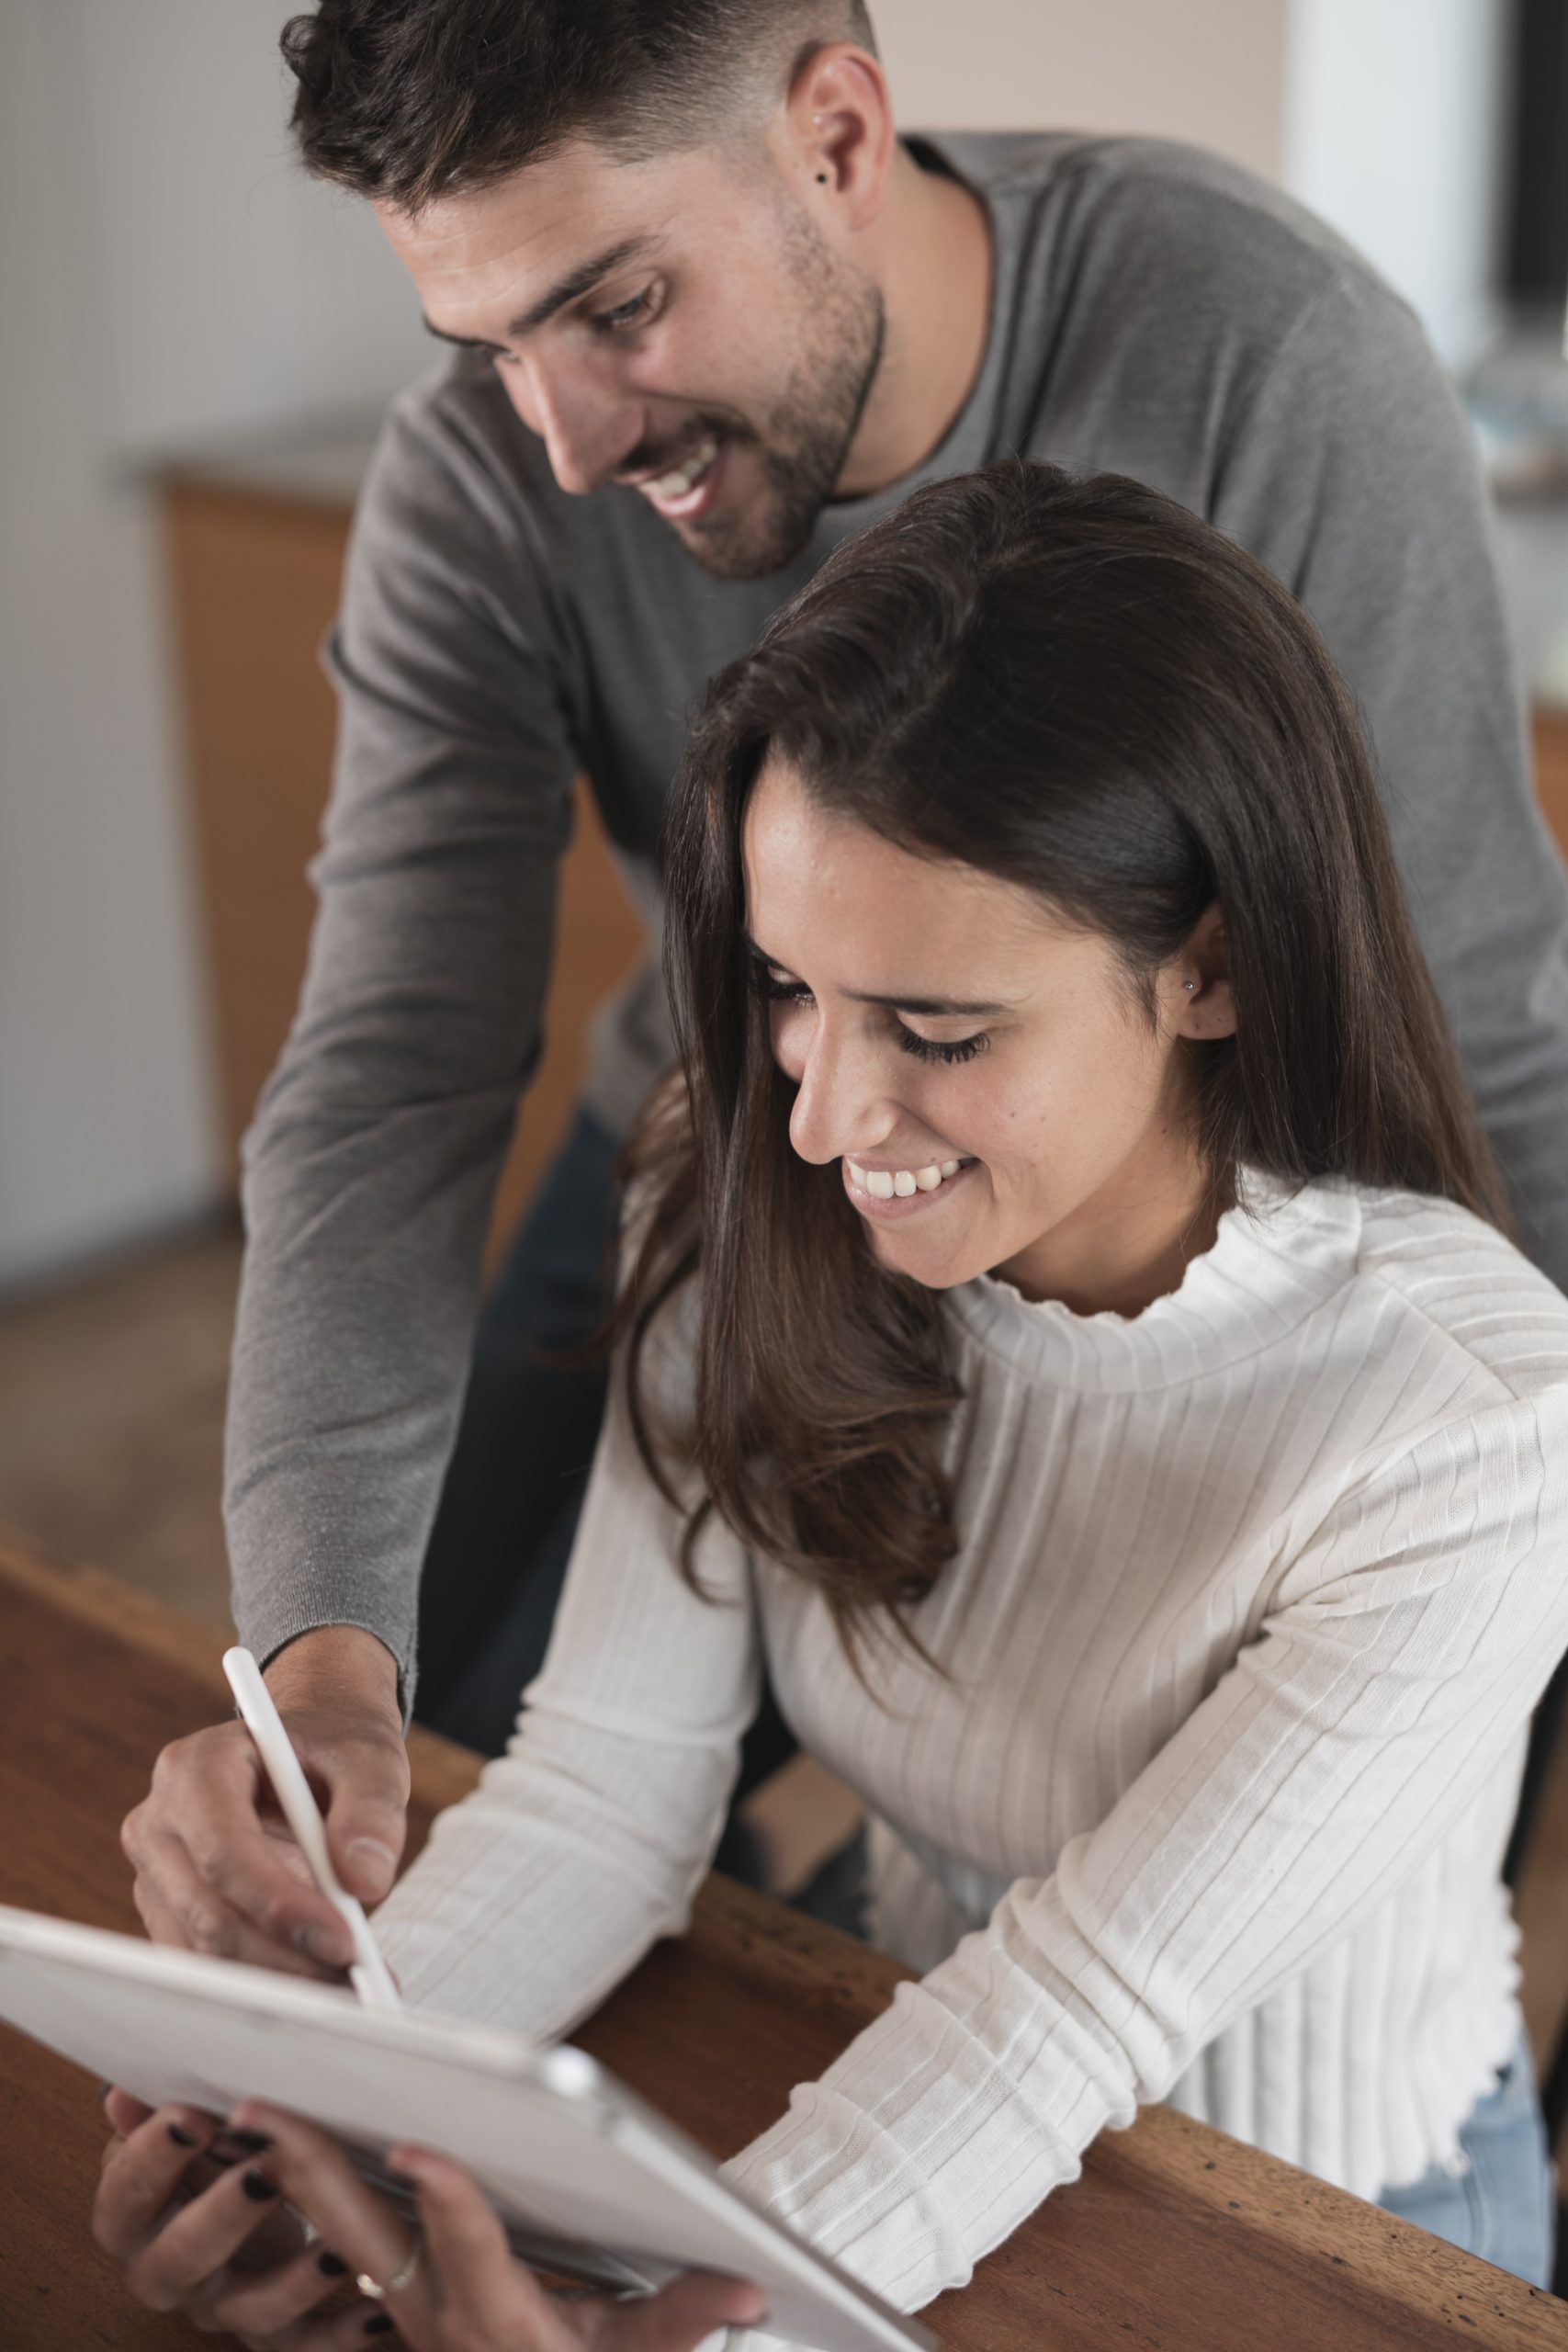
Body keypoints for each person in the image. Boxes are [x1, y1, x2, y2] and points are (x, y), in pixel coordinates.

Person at [121, 0, 1568, 1984]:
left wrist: (1494, 1638)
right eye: (487, 347)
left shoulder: (1262, 354)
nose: (560, 436)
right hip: (727, 1147)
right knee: (433, 1789)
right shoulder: (488, 479)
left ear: (833, 134)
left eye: (614, 303)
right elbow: (389, 1081)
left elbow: (1480, 1029)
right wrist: (321, 1659)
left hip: (1144, 1240)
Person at [97, 468, 1566, 2348]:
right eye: (791, 990)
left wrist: (698, 2328)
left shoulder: (1473, 1426)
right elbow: (607, 1794)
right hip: (893, 2086)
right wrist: (300, 2117)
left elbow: (1072, 2010)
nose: (818, 1119)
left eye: (938, 1034)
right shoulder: (747, 1178)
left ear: (1211, 962)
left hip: (1317, 2226)